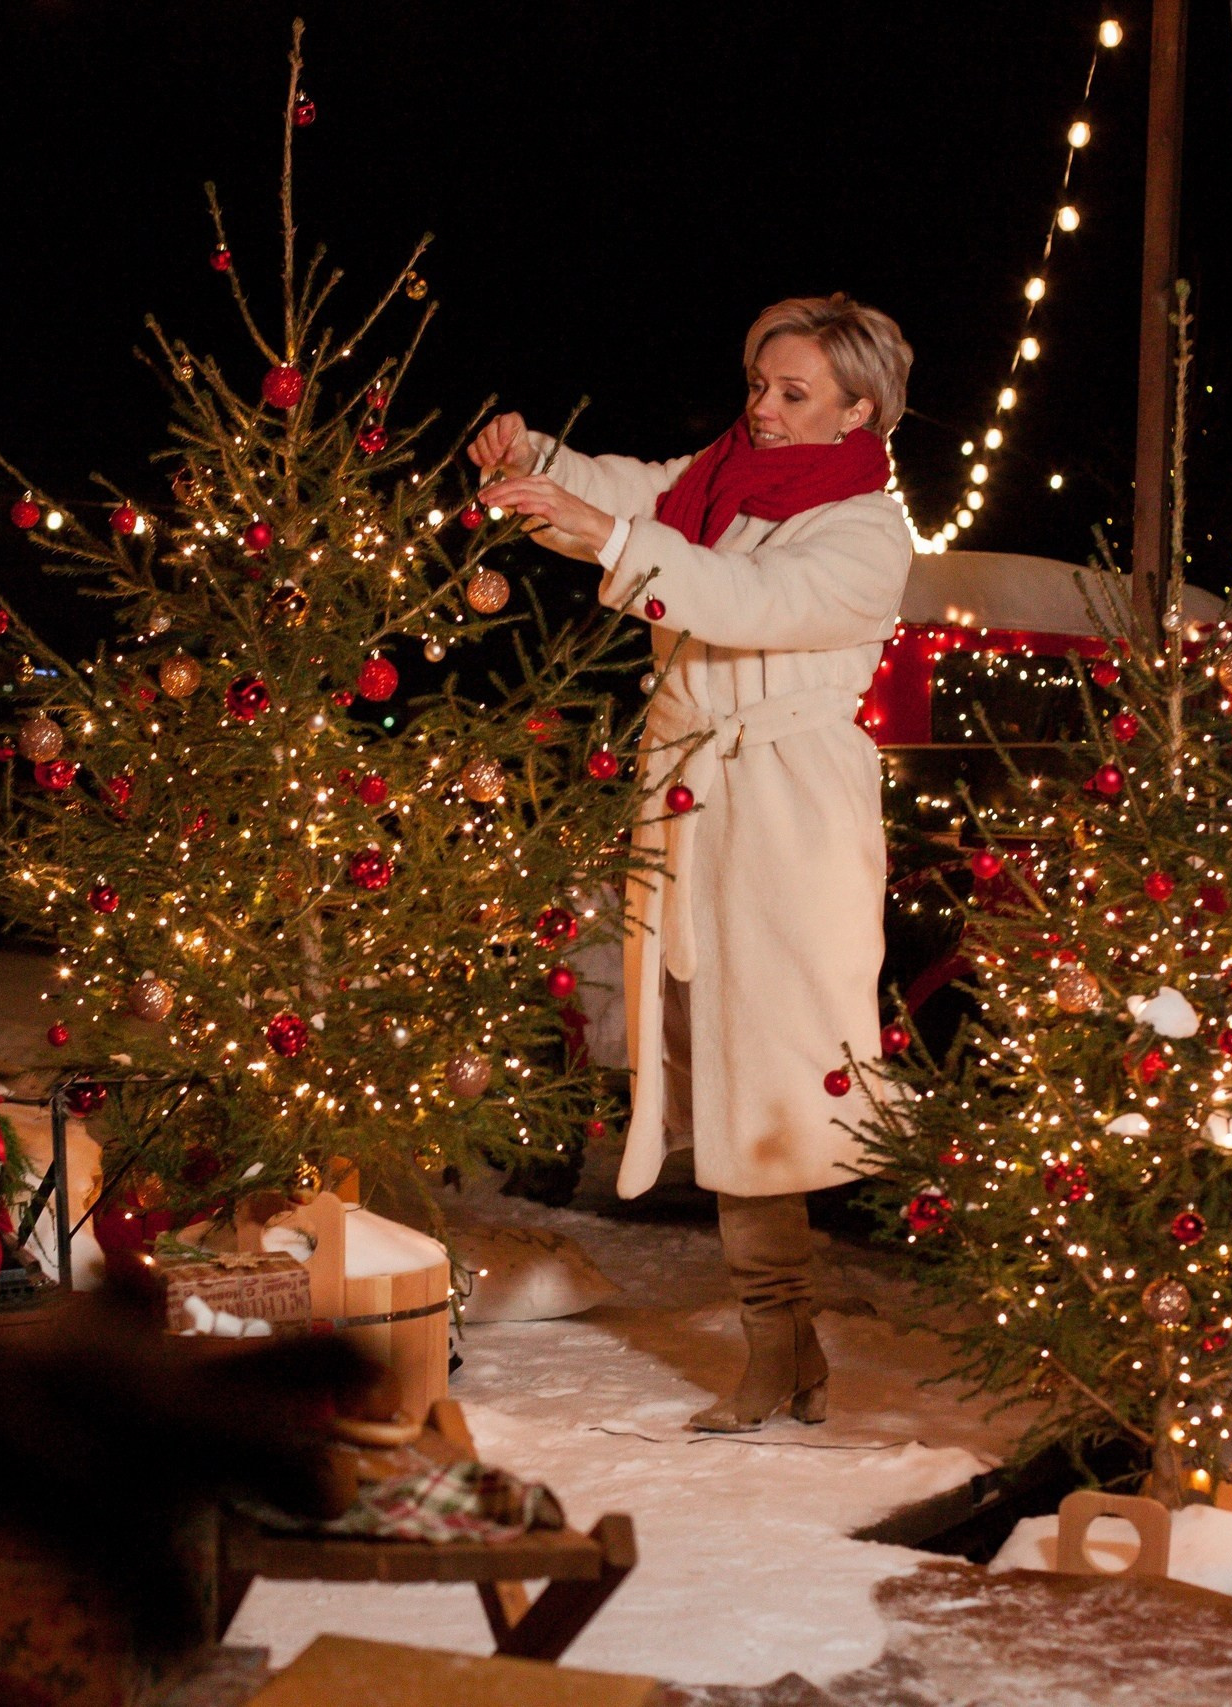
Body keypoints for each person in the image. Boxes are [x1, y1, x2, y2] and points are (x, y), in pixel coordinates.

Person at [472, 294, 916, 1433]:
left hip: (782, 807)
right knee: (705, 1055)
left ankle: (778, 1350)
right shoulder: (725, 480)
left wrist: (611, 540)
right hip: (695, 797)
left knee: (765, 1072)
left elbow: (743, 600)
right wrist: (537, 461)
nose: (760, 410)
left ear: (857, 409)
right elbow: (637, 493)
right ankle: (790, 1347)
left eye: (792, 394)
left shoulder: (865, 527)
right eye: (757, 386)